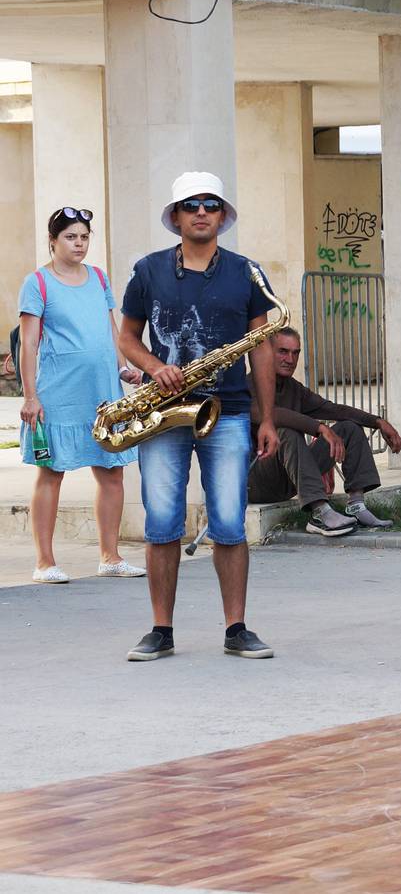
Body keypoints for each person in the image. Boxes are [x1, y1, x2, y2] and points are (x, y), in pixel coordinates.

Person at [117, 173, 280, 661]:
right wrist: (154, 367)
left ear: (222, 215)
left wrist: (266, 418)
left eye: (211, 204)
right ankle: (160, 630)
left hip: (227, 412)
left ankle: (237, 629)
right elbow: (126, 337)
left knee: (229, 523)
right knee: (162, 523)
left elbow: (263, 349)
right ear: (177, 216)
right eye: (192, 205)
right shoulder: (147, 271)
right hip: (162, 413)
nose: (202, 212)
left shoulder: (247, 272)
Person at [16, 206, 143, 583]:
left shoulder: (99, 277)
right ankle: (44, 563)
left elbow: (111, 330)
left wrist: (122, 368)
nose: (79, 244)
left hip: (102, 393)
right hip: (57, 394)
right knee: (52, 472)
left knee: (112, 472)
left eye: (84, 237)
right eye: (71, 237)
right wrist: (30, 396)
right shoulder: (37, 283)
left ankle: (111, 556)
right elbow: (28, 343)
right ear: (53, 241)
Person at [246, 327, 401, 534]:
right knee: (286, 431)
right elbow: (273, 415)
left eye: (296, 353)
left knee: (348, 428)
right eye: (283, 351)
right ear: (267, 352)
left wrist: (377, 421)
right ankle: (320, 514)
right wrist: (320, 428)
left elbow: (332, 409)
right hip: (257, 481)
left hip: (290, 477)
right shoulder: (247, 387)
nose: (290, 359)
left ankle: (356, 505)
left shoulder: (293, 388)